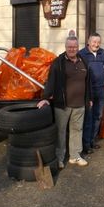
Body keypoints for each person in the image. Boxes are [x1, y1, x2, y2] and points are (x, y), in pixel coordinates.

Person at [37, 36, 92, 168]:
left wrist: (89, 98)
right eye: (69, 47)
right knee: (60, 132)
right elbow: (51, 81)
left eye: (74, 46)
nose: (72, 49)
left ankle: (75, 156)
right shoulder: (58, 62)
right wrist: (45, 97)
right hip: (63, 105)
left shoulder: (83, 60)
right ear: (65, 47)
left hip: (80, 104)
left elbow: (88, 82)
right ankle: (60, 158)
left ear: (78, 47)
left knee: (77, 130)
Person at [79, 32, 104, 154]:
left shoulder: (102, 52)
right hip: (88, 91)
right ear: (89, 42)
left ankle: (92, 141)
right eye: (94, 42)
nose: (96, 44)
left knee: (98, 116)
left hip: (100, 90)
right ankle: (85, 144)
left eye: (98, 42)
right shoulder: (82, 54)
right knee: (88, 117)